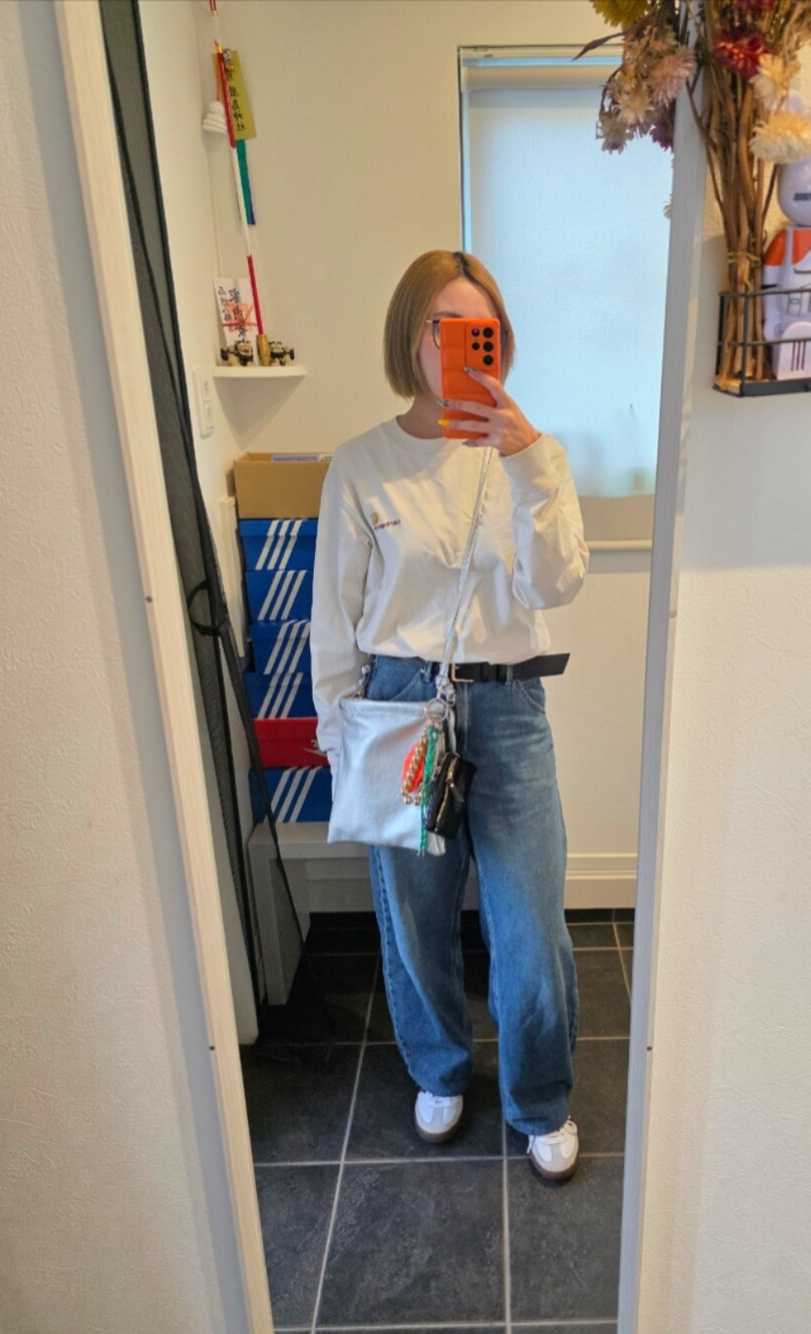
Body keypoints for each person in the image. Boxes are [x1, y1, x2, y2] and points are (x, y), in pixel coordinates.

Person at [310, 250, 589, 1181]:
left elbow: (556, 584)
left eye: (484, 330)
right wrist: (336, 736)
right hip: (399, 705)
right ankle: (438, 1068)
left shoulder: (534, 455)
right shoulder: (362, 465)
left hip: (508, 704)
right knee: (416, 913)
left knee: (530, 921)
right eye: (448, 328)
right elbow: (334, 617)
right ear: (413, 336)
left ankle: (539, 1095)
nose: (467, 345)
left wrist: (527, 462)